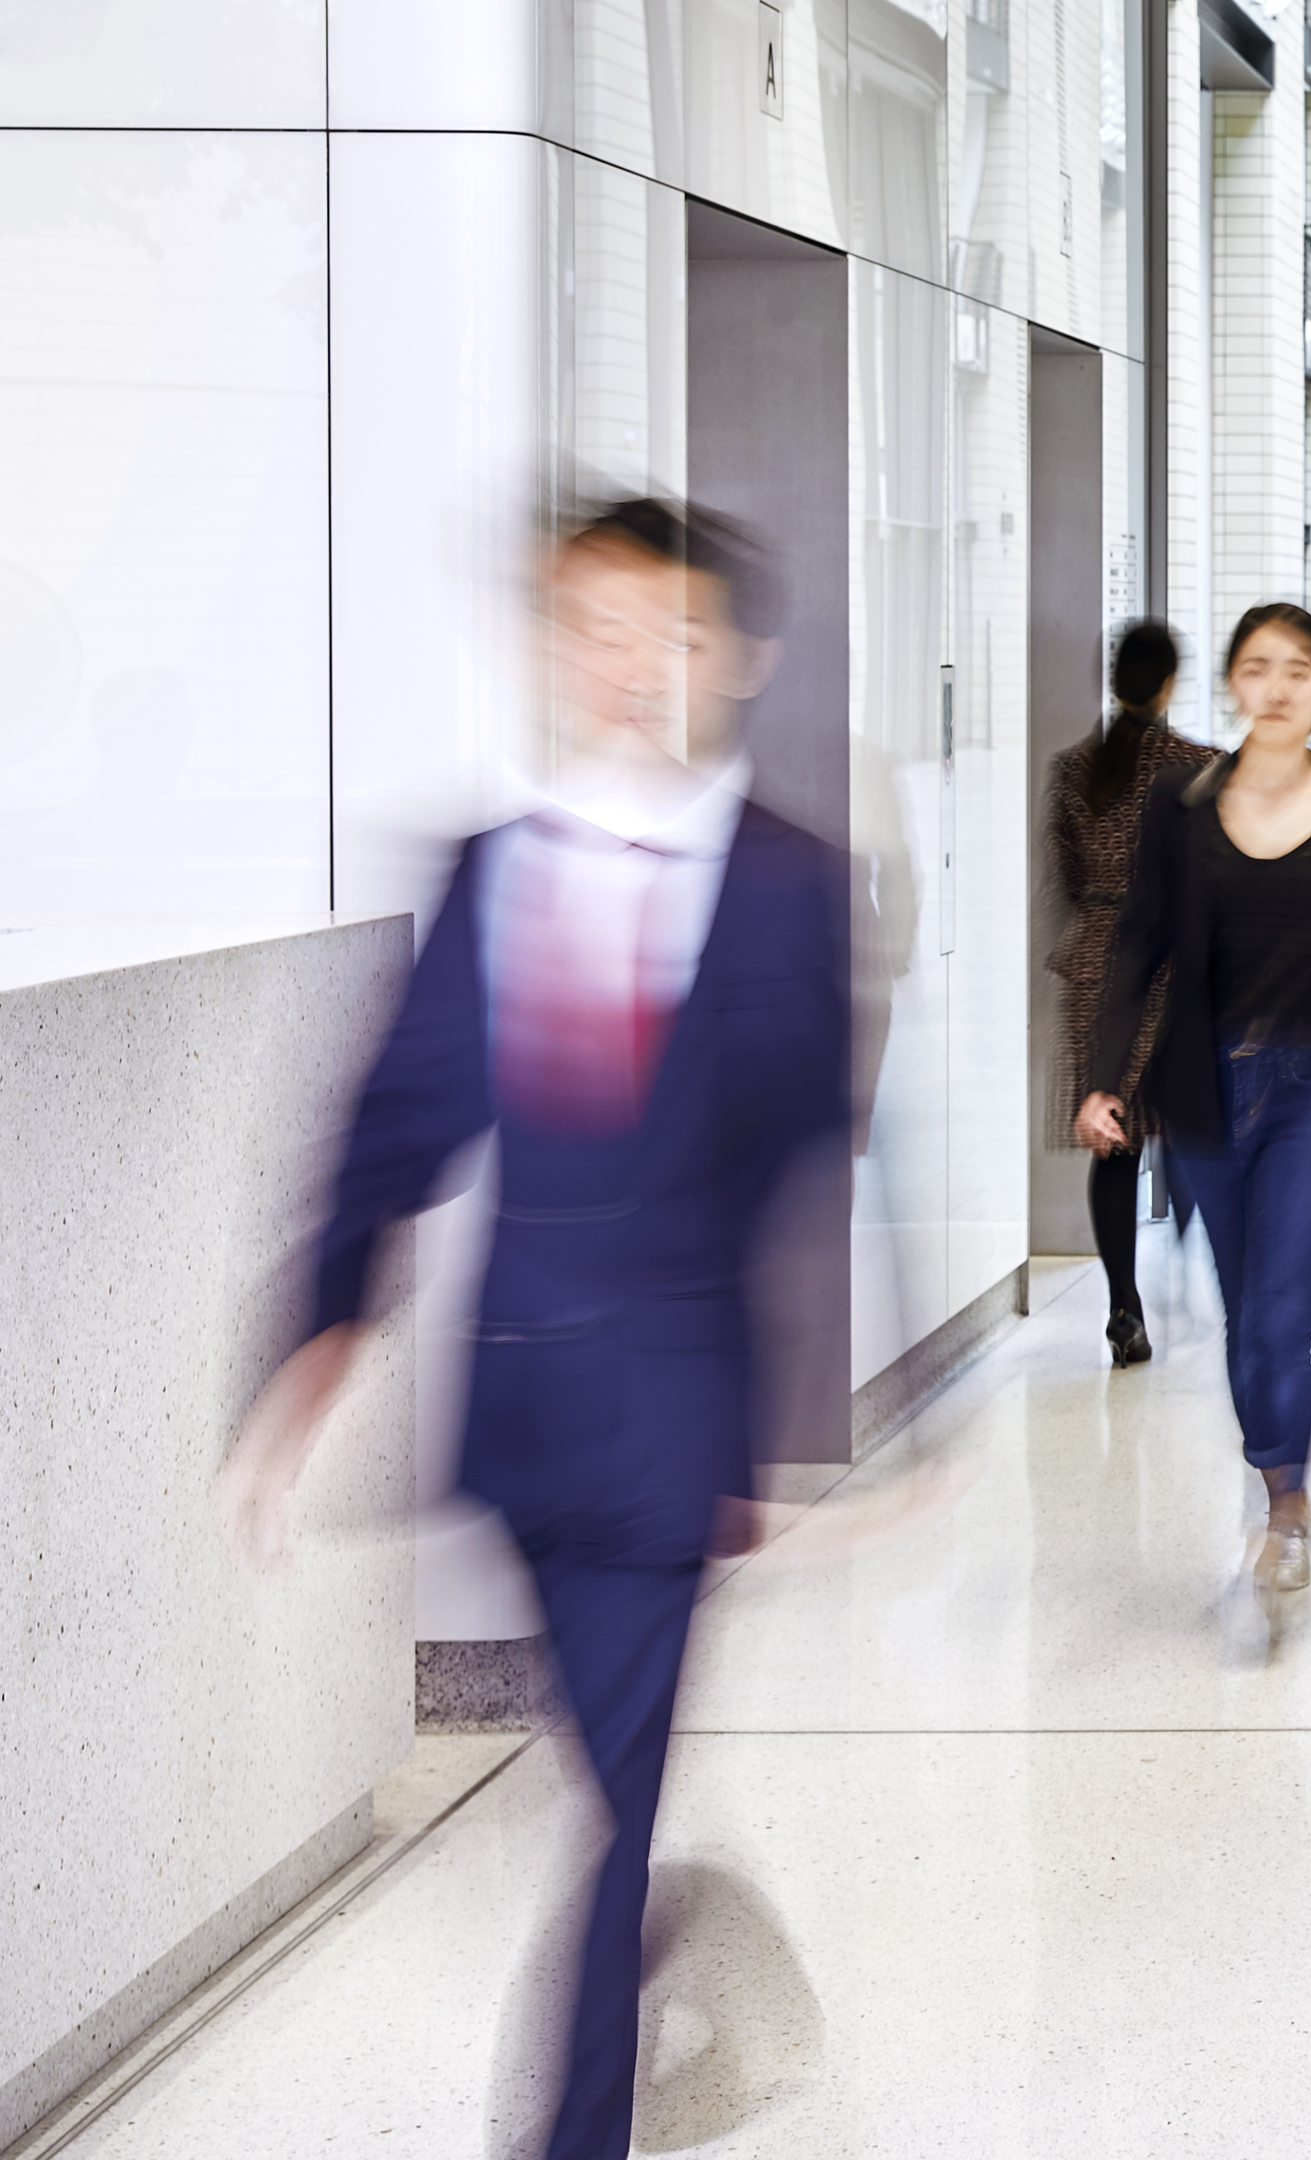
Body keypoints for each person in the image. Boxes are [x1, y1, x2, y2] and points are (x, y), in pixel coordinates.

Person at [224, 499, 854, 2158]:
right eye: (589, 628)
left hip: (667, 1438)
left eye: (664, 633)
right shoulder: (496, 868)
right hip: (518, 1427)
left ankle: (571, 2127)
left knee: (620, 1796)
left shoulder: (792, 886)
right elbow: (393, 1125)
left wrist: (779, 1442)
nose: (625, 665)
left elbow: (798, 1162)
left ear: (732, 658)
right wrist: (312, 1351)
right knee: (608, 1791)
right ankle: (666, 1947)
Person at [1079, 603, 1311, 1599]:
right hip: (1203, 1091)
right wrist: (1103, 1081)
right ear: (1232, 686)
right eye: (1257, 668)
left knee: (1282, 1310)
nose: (1278, 686)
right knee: (1248, 1313)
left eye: (1300, 669)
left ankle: (1285, 1500)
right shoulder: (1181, 809)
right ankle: (1276, 1471)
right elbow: (1138, 946)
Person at [1045, 618, 1216, 1367]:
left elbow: (1068, 878)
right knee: (1183, 1118)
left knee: (1112, 1144)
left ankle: (1123, 1307)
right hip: (1169, 965)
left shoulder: (1072, 769)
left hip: (1093, 964)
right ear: (1170, 683)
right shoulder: (1197, 767)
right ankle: (1189, 1241)